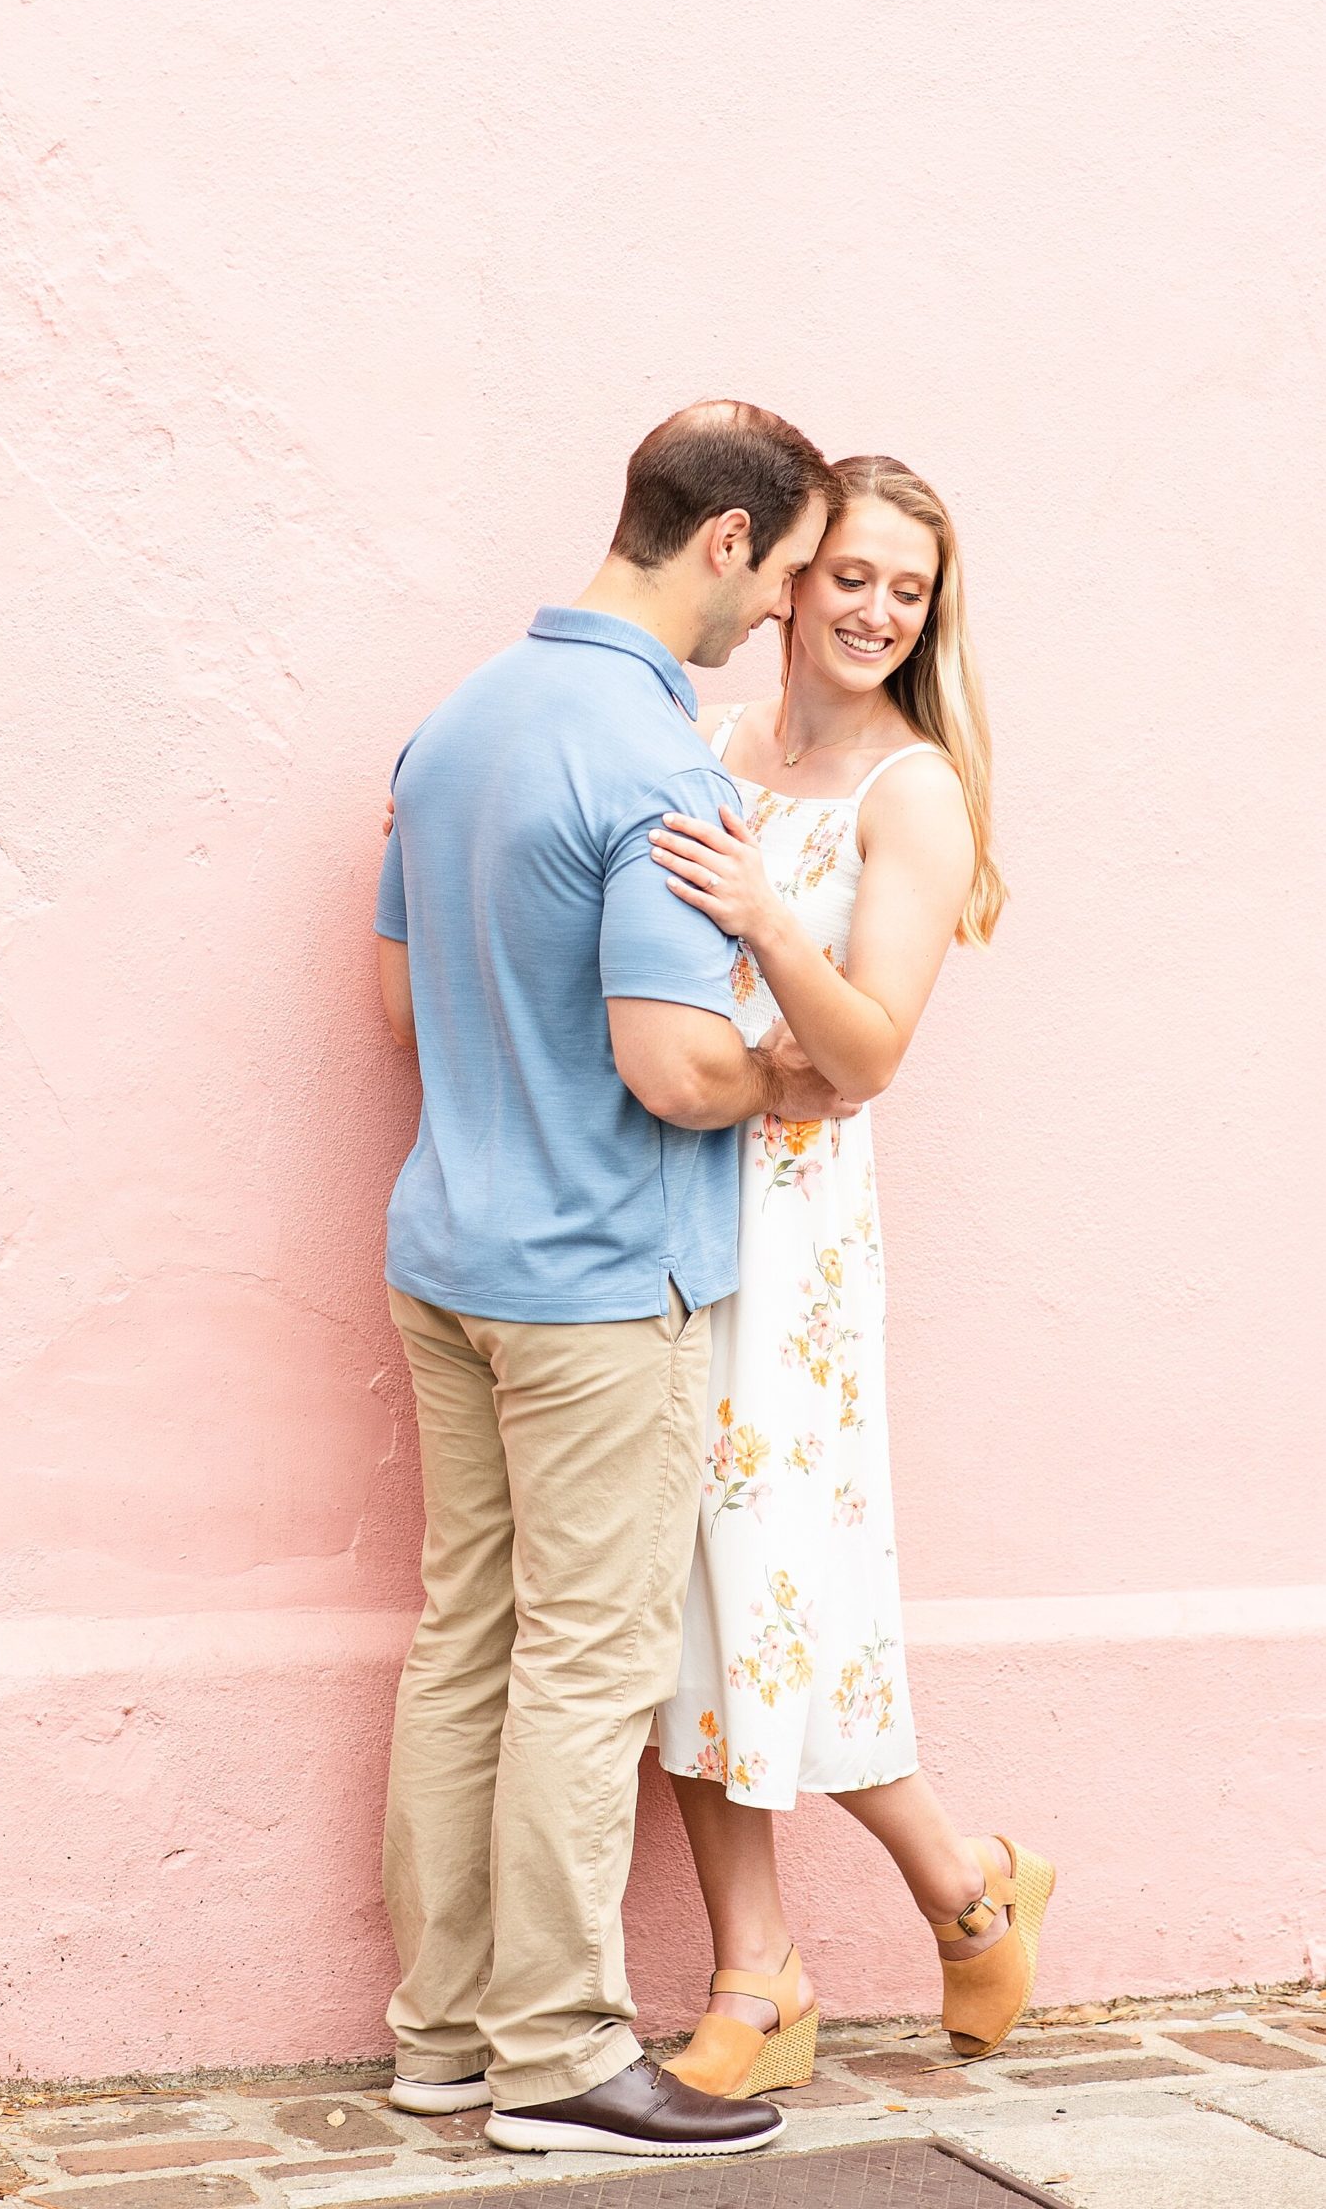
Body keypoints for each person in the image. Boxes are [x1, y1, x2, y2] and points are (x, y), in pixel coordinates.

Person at [372, 402, 844, 2158]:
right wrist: (789, 1077)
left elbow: (392, 1009)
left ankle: (441, 2038)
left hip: (450, 1254)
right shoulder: (653, 764)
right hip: (590, 1285)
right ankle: (562, 2056)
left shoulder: (457, 723)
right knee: (586, 1662)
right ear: (725, 543)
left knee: (466, 1643)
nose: (788, 615)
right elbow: (672, 1065)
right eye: (790, 573)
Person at [648, 456, 1053, 2098]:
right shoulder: (711, 742)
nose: (880, 611)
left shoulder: (913, 791)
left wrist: (764, 921)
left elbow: (867, 1054)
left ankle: (955, 1893)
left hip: (797, 1238)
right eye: (855, 578)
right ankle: (783, 1964)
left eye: (910, 589)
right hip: (670, 1192)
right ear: (792, 585)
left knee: (778, 1585)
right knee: (684, 1586)